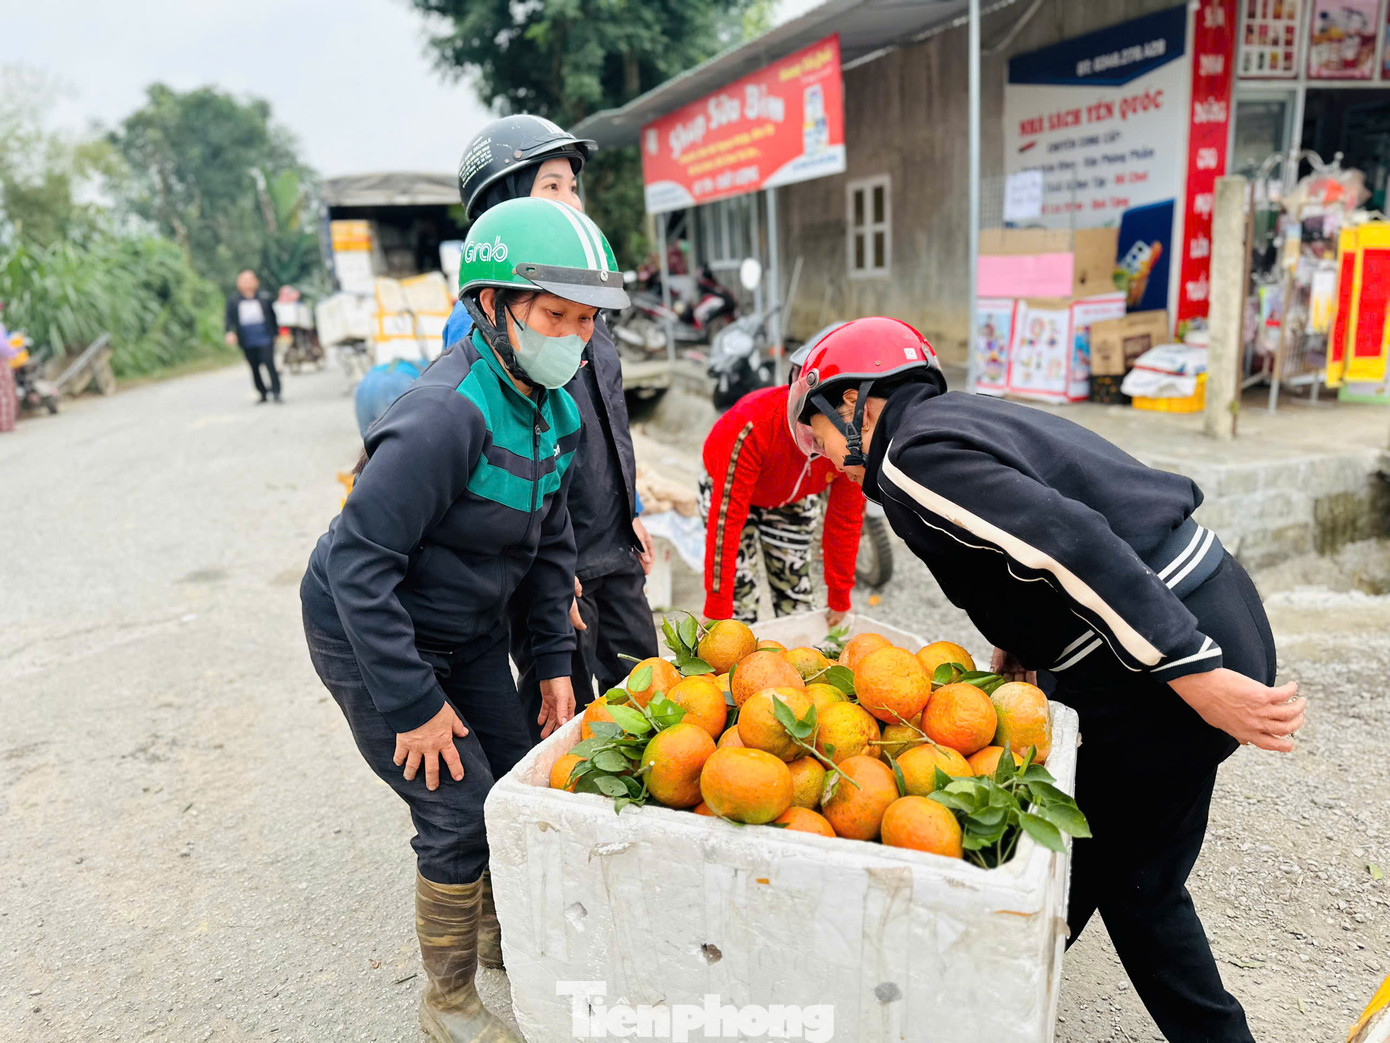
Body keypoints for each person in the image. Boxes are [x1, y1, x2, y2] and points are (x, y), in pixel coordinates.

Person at [788, 317, 1306, 1043]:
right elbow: (1019, 546)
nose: (817, 451)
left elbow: (1071, 544)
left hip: (1167, 640)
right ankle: (979, 1000)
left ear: (855, 401)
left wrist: (1193, 671)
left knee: (1131, 882)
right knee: (1076, 842)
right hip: (1203, 600)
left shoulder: (910, 458)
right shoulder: (946, 423)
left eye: (813, 427)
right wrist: (1022, 640)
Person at [300, 197, 629, 1043]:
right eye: (555, 314)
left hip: (470, 626)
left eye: (587, 318)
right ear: (491, 304)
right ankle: (445, 1001)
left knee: (513, 777)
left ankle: (498, 936)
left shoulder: (550, 405)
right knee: (454, 802)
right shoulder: (445, 414)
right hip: (369, 626)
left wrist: (554, 662)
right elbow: (355, 566)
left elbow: (551, 544)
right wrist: (412, 703)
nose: (575, 335)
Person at [444, 114, 658, 739]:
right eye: (552, 187)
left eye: (573, 186)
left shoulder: (583, 302)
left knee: (647, 689)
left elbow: (608, 419)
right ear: (502, 209)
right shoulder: (485, 326)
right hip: (549, 553)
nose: (572, 201)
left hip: (610, 539)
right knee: (570, 714)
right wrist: (543, 572)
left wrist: (633, 508)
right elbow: (499, 460)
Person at [699, 336, 863, 625]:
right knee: (737, 612)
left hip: (792, 498)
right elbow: (727, 520)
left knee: (797, 604)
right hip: (730, 495)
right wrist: (716, 607)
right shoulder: (752, 425)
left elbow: (845, 520)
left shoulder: (851, 439)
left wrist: (840, 598)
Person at [224, 269, 282, 403]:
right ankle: (262, 393)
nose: (247, 283)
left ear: (256, 282)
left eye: (249, 280)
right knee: (254, 366)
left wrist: (275, 334)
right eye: (243, 281)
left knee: (270, 364)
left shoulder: (265, 298)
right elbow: (229, 319)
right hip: (246, 337)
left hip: (265, 335)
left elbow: (273, 317)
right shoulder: (233, 301)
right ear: (238, 284)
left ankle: (276, 391)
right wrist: (229, 332)